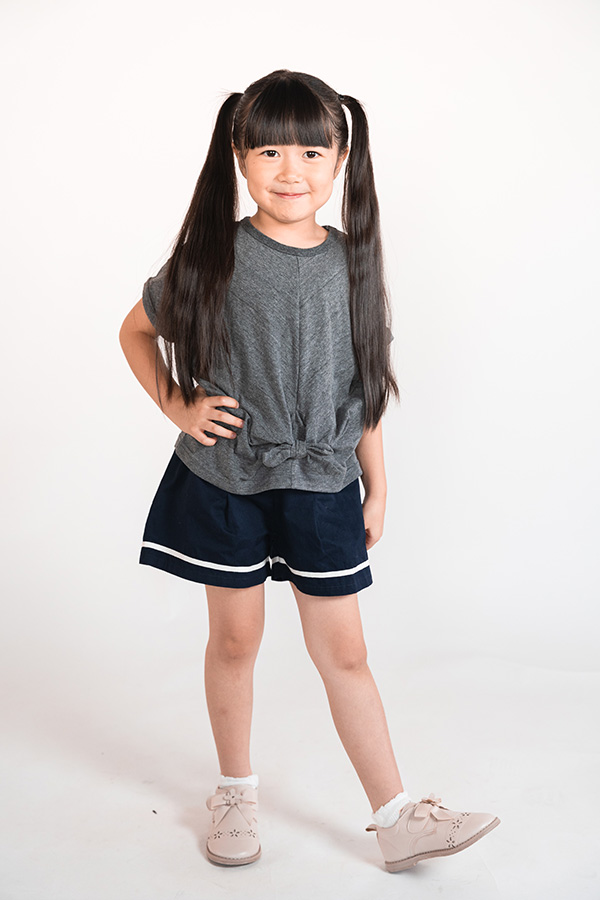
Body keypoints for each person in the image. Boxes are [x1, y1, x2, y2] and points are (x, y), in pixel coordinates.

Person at [119, 69, 500, 873]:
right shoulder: (212, 255)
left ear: (340, 159)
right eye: (268, 151)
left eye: (310, 152)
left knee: (346, 653)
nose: (290, 170)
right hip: (227, 477)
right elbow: (135, 332)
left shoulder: (353, 263)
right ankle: (234, 792)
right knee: (235, 641)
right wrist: (180, 407)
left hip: (323, 482)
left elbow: (363, 385)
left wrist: (378, 483)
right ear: (238, 156)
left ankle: (396, 818)